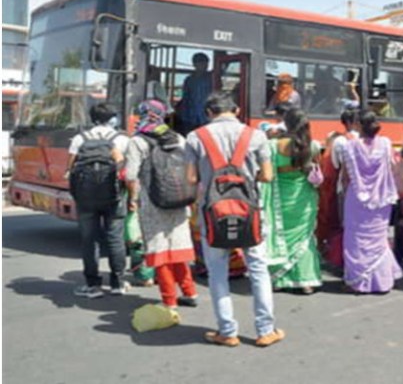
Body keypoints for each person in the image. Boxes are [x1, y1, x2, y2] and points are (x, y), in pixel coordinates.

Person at [185, 92, 285, 348]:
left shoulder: (196, 137)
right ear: (237, 110)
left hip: (212, 214)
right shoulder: (257, 135)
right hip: (249, 212)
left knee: (218, 273)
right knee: (258, 269)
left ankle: (227, 331)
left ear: (209, 113)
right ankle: (265, 330)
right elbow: (268, 175)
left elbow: (191, 179)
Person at [125, 99, 198, 309]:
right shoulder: (179, 138)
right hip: (180, 199)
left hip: (152, 202)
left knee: (159, 250)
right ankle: (190, 292)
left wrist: (133, 199)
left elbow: (131, 175)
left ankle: (169, 300)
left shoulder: (138, 141)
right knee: (178, 248)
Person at [66, 103, 130, 298]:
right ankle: (118, 284)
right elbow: (127, 169)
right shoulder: (121, 139)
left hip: (86, 198)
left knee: (89, 240)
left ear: (92, 118)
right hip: (114, 196)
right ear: (113, 118)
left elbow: (69, 169)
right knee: (115, 238)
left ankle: (92, 285)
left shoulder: (79, 138)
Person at [340, 110, 403, 294]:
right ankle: (382, 282)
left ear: (358, 125)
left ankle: (357, 281)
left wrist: (345, 194)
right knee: (378, 239)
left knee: (355, 240)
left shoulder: (350, 147)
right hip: (382, 198)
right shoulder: (385, 144)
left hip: (357, 198)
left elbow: (345, 176)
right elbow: (392, 167)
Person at [264, 108, 323, 294]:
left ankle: (278, 279)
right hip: (303, 198)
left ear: (286, 123)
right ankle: (305, 281)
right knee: (304, 239)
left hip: (279, 198)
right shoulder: (312, 146)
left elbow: (266, 172)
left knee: (279, 236)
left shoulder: (273, 146)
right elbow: (315, 170)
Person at [317, 108, 359, 268]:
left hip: (346, 189)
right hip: (371, 191)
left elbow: (336, 165)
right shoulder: (378, 142)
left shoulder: (340, 142)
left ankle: (341, 257)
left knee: (343, 224)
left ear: (346, 123)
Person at [177, 52, 213, 134]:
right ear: (194, 64)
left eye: (207, 63)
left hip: (207, 116)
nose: (205, 66)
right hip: (190, 117)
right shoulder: (189, 80)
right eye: (202, 63)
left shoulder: (212, 77)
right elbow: (186, 98)